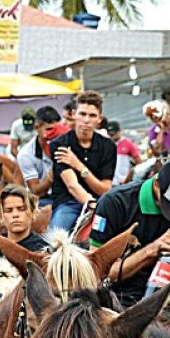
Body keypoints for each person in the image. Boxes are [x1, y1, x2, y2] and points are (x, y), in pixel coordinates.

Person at [91, 151, 170, 307]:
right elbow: (96, 273)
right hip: (120, 300)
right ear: (157, 183)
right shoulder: (115, 204)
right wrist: (152, 250)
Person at [49, 90, 116, 232]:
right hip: (68, 203)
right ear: (74, 114)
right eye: (82, 114)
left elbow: (105, 189)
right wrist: (92, 205)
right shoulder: (60, 144)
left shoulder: (108, 146)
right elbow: (72, 185)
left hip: (100, 202)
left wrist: (79, 166)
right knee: (56, 238)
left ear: (99, 119)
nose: (86, 120)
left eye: (92, 115)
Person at [17, 106, 62, 208]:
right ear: (37, 128)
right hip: (45, 198)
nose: (54, 134)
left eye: (57, 129)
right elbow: (36, 192)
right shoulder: (26, 154)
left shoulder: (68, 143)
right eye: (49, 129)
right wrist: (57, 167)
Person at [0, 184, 46, 252]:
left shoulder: (43, 248)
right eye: (8, 210)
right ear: (0, 215)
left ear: (33, 212)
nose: (15, 215)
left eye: (21, 209)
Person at [106, 120, 142, 186]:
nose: (112, 135)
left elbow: (139, 162)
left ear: (119, 131)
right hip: (110, 182)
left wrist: (129, 176)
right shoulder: (106, 144)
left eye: (114, 133)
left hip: (124, 182)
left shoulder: (128, 143)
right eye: (110, 134)